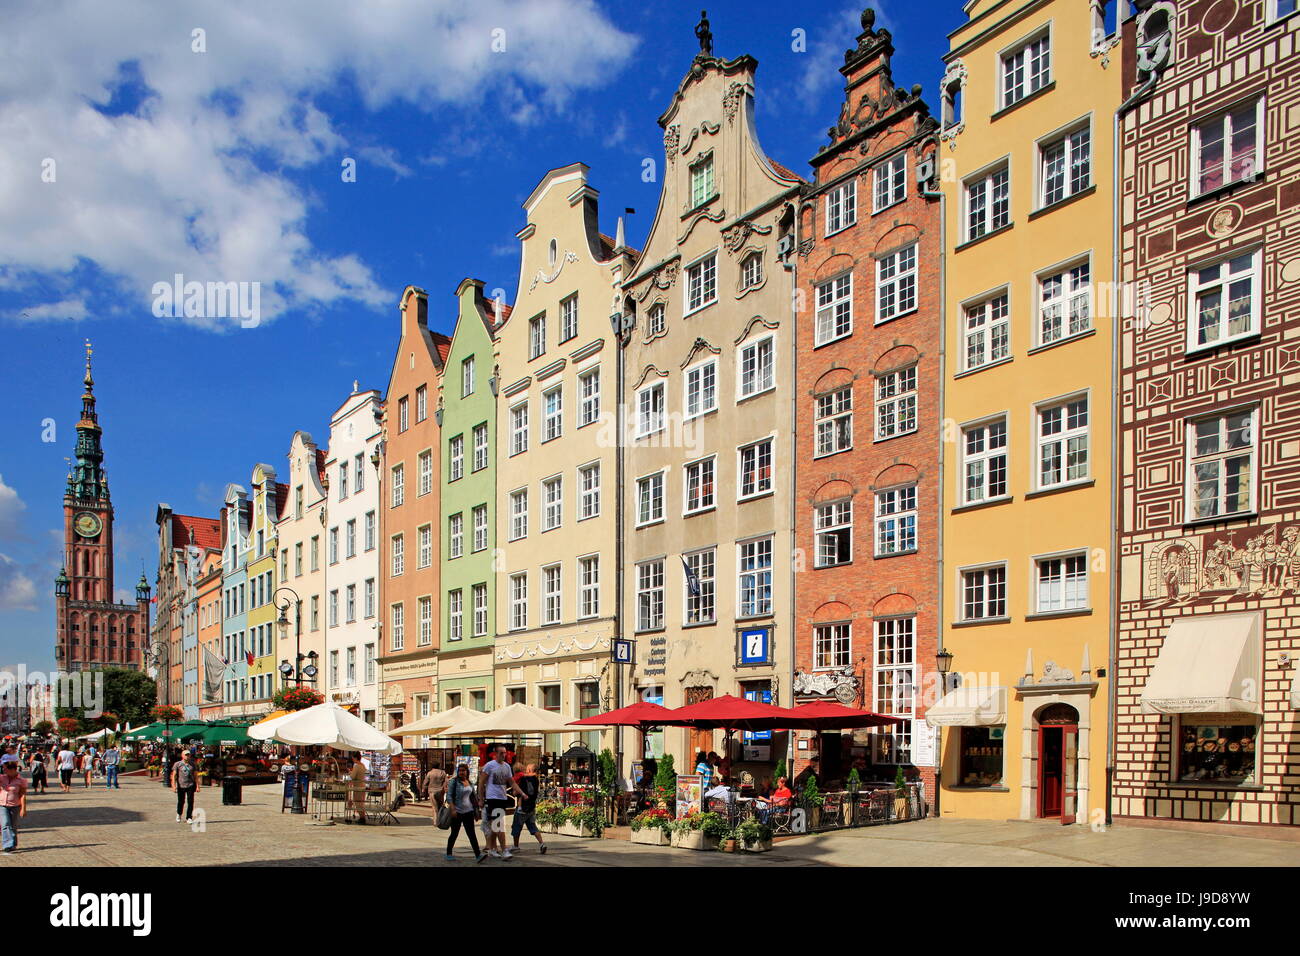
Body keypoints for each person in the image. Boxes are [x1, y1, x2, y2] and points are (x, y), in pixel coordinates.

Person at [477, 744, 514, 860]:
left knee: (495, 826)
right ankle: (504, 850)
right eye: (501, 753)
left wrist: (522, 793)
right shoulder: (489, 766)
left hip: (502, 798)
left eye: (505, 753)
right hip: (493, 799)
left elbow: (512, 782)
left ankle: (491, 849)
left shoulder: (507, 766)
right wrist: (481, 799)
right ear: (495, 754)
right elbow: (481, 783)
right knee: (498, 825)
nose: (504, 755)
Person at [444, 763, 486, 862]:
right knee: (454, 833)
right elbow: (449, 797)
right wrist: (453, 809)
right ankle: (448, 853)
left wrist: (476, 812)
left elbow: (473, 798)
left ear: (467, 772)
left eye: (464, 770)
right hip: (457, 812)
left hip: (469, 812)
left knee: (471, 834)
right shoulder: (454, 782)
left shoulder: (470, 783)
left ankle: (478, 855)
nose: (462, 772)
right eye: (460, 770)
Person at [510, 763, 546, 855]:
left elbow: (517, 792)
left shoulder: (523, 779)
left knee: (516, 827)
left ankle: (516, 846)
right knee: (533, 827)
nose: (526, 770)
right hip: (531, 807)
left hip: (522, 808)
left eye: (527, 769)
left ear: (530, 770)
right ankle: (542, 843)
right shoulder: (536, 780)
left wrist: (515, 792)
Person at [0, 756, 28, 853]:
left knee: (13, 826)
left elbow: (23, 794)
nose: (4, 771)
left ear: (12, 769)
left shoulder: (21, 780)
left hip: (15, 805)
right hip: (2, 805)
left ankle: (13, 844)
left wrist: (23, 808)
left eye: (5, 769)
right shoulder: (2, 778)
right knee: (5, 824)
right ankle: (7, 845)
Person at [172, 750, 199, 824]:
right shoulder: (178, 764)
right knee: (181, 801)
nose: (187, 756)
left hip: (190, 785)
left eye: (188, 755)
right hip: (181, 785)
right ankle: (179, 814)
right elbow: (174, 776)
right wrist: (174, 786)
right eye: (186, 755)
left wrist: (197, 786)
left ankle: (189, 817)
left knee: (190, 802)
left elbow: (196, 775)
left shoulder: (193, 764)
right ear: (182, 755)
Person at [346, 756, 368, 825]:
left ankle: (362, 818)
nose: (352, 759)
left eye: (353, 758)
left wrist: (350, 772)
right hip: (362, 786)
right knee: (361, 803)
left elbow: (352, 777)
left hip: (357, 787)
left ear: (355, 758)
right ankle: (362, 817)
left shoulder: (356, 766)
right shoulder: (363, 765)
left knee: (358, 802)